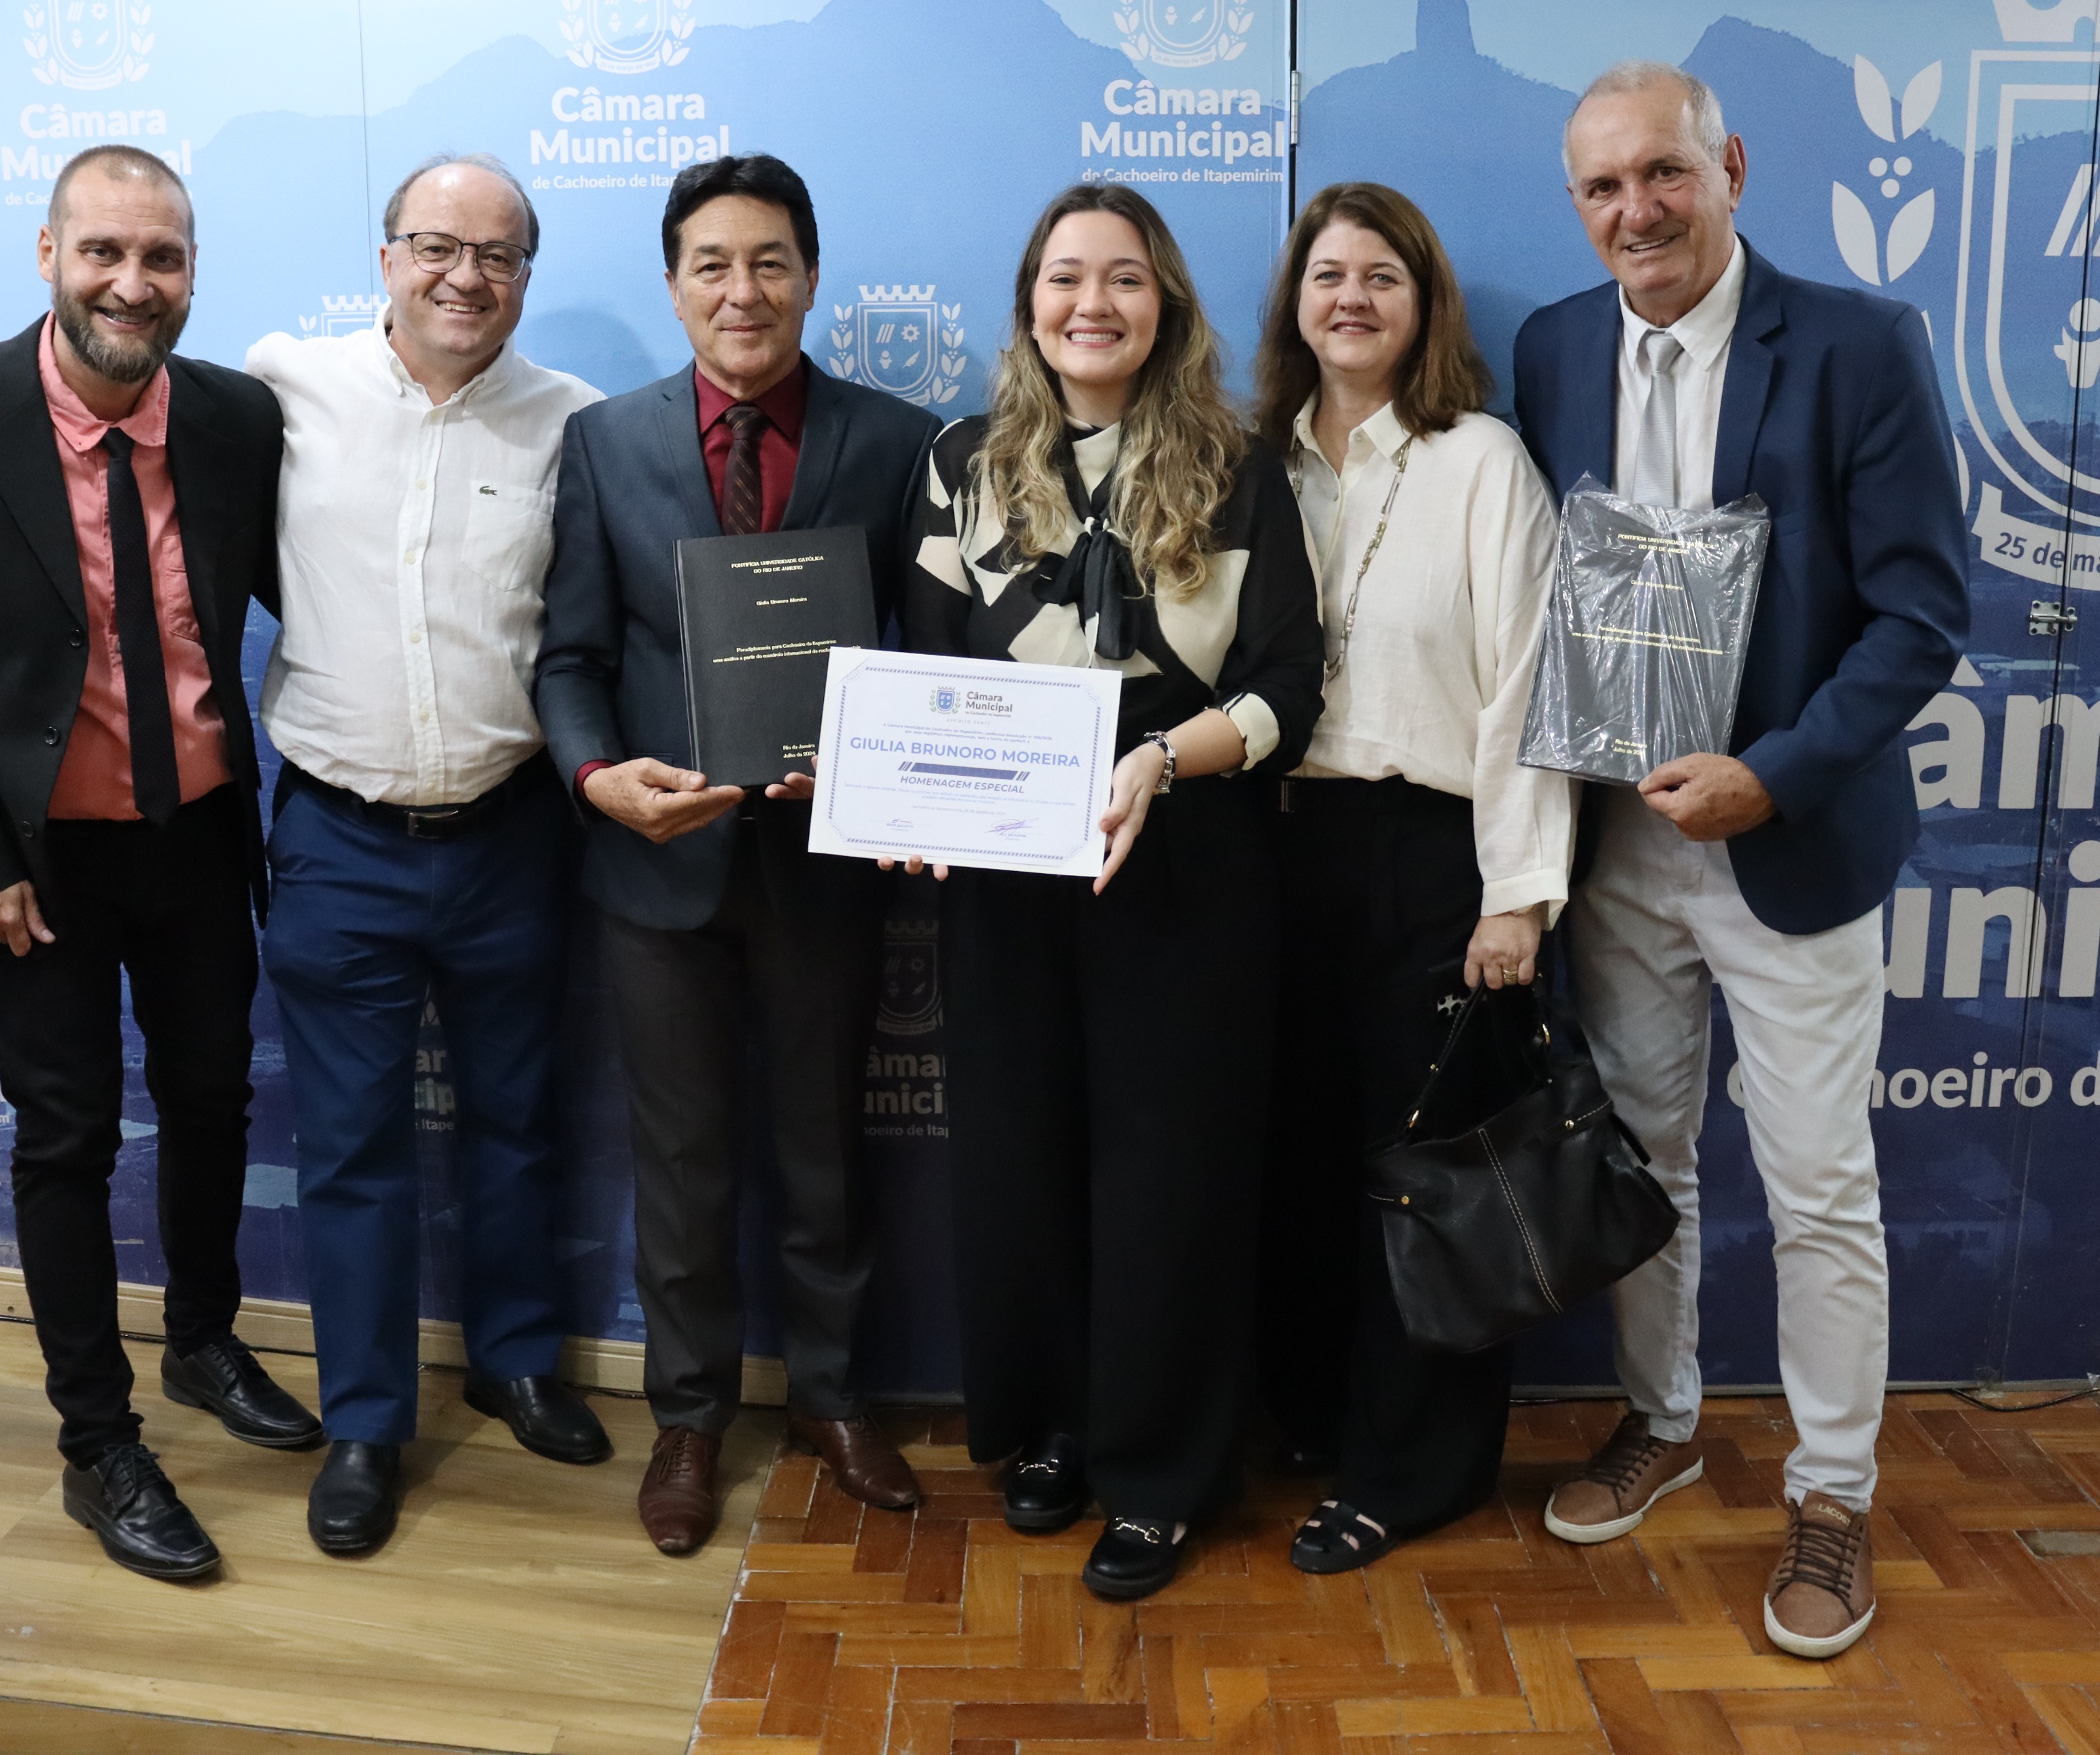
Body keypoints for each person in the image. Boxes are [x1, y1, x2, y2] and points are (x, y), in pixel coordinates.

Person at [1514, 63, 1967, 1657]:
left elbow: (1920, 615)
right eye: (1600, 187)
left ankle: (1832, 1493)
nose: (1633, 210)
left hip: (1790, 844)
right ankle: (1663, 1417)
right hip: (1616, 847)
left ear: (1731, 168)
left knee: (1818, 1183)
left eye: (1663, 173)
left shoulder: (1857, 344)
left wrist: (1769, 779)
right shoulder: (1552, 347)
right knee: (1644, 1161)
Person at [0, 144, 319, 1582]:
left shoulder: (236, 418)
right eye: (104, 250)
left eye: (162, 257)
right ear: (48, 253)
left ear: (192, 273)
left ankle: (203, 1340)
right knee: (67, 1140)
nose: (132, 282)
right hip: (33, 869)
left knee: (214, 1099)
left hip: (199, 833)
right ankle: (98, 1444)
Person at [901, 184, 1324, 1601]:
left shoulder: (1239, 465)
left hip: (1187, 858)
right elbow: (927, 665)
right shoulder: (959, 464)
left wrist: (1159, 759)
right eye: (1066, 277)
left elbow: (1288, 684)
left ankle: (1161, 1474)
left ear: (1167, 304)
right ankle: (1056, 1428)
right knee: (1022, 1160)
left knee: (1171, 1177)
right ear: (1030, 302)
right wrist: (914, 800)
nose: (1094, 303)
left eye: (1125, 278)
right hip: (1008, 868)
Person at [534, 154, 942, 1556]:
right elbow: (571, 657)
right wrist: (599, 778)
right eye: (712, 264)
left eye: (770, 261)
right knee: (683, 1162)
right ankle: (691, 1419)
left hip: (827, 862)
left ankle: (831, 1397)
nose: (742, 290)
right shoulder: (606, 444)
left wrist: (887, 775)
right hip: (659, 871)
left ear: (811, 277)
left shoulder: (897, 441)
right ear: (673, 286)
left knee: (828, 1152)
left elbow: (930, 654)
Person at [246, 153, 607, 1558]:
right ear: (387, 255)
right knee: (352, 1148)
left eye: (499, 255)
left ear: (526, 275)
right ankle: (366, 1421)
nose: (466, 276)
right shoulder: (283, 386)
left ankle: (514, 1359)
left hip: (514, 829)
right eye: (437, 247)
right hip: (338, 836)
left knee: (518, 1119)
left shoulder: (574, 423)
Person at [1246, 183, 1573, 1573]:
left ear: (1425, 303)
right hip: (1270, 850)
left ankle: (1411, 1470)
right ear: (1295, 302)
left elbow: (1530, 690)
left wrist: (1518, 894)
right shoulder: (1250, 459)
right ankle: (1316, 1418)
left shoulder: (1482, 462)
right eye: (1329, 275)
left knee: (1424, 1187)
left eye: (1383, 275)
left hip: (1431, 858)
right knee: (1297, 1163)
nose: (1352, 299)